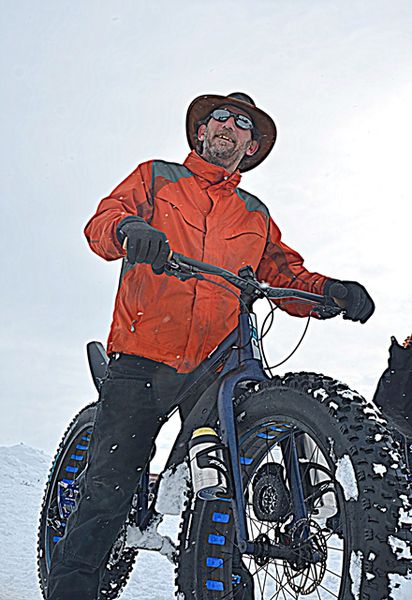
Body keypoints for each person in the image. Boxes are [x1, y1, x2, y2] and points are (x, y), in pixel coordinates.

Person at [46, 92, 375, 599]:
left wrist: (330, 292)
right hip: (143, 353)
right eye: (220, 116)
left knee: (223, 476)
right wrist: (132, 228)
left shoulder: (255, 214)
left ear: (251, 145)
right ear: (202, 132)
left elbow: (284, 274)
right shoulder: (157, 177)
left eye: (243, 123)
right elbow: (103, 223)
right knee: (109, 487)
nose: (229, 124)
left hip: (215, 361)